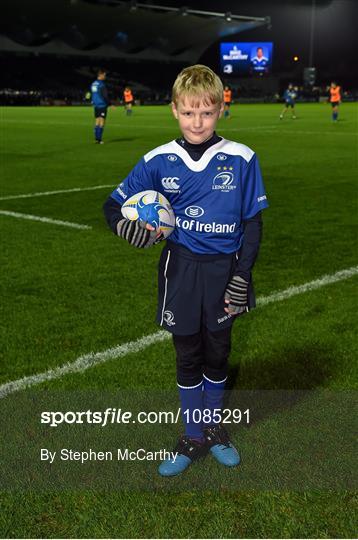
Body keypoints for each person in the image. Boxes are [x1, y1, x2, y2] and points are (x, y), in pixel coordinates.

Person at [103, 65, 269, 477]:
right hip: (180, 270)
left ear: (221, 110)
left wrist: (243, 274)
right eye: (189, 112)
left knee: (219, 351)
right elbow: (112, 205)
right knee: (187, 353)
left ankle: (213, 430)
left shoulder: (242, 159)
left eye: (207, 113)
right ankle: (192, 435)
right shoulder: (159, 160)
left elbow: (252, 222)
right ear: (174, 109)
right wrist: (126, 227)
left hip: (225, 271)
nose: (198, 122)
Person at [90, 68, 110, 144]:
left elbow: (93, 94)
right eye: (104, 75)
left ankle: (96, 138)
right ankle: (99, 139)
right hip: (102, 104)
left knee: (97, 121)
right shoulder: (101, 84)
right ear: (100, 75)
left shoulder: (93, 83)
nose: (105, 76)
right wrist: (109, 104)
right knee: (102, 121)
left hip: (96, 104)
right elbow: (105, 95)